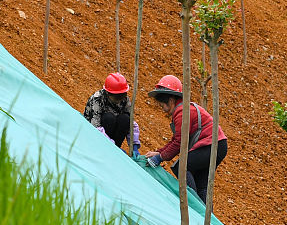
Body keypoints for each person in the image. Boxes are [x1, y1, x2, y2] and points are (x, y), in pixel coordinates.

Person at [141, 75, 228, 204]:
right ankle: (203, 214)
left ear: (170, 100)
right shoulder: (184, 109)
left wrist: (160, 158)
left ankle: (193, 204)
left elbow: (179, 142)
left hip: (211, 145)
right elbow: (176, 139)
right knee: (201, 183)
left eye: (162, 105)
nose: (162, 109)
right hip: (219, 145)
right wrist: (159, 153)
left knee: (181, 167)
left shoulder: (182, 112)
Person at [84, 73, 140, 155]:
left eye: (121, 96)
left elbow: (131, 123)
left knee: (125, 118)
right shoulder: (97, 99)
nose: (119, 100)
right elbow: (95, 126)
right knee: (109, 118)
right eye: (117, 97)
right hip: (96, 134)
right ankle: (106, 148)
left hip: (112, 136)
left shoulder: (124, 99)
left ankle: (115, 149)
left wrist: (134, 145)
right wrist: (111, 145)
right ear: (108, 93)